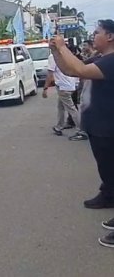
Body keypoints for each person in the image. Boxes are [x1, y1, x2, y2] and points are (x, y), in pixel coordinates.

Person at [49, 20, 114, 248]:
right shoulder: (100, 59)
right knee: (107, 172)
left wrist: (63, 46)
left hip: (109, 127)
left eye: (97, 33)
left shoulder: (111, 61)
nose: (92, 36)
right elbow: (70, 69)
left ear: (110, 37)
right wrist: (57, 51)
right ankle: (108, 197)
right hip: (99, 126)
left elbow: (78, 69)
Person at [43, 49, 87, 141]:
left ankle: (81, 130)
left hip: (63, 86)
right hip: (70, 85)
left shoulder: (53, 57)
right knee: (61, 107)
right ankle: (59, 126)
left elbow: (50, 74)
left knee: (71, 109)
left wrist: (45, 88)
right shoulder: (67, 55)